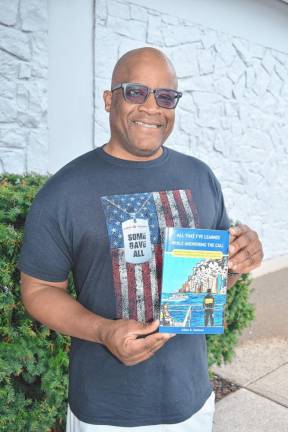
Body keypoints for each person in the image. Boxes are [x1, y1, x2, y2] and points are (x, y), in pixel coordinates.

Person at [18, 47, 263, 432]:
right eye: (135, 92)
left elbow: (211, 283)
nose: (152, 107)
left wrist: (239, 260)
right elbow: (39, 290)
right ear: (109, 99)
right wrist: (103, 331)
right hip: (106, 413)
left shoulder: (200, 177)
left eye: (166, 96)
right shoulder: (64, 191)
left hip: (192, 401)